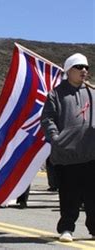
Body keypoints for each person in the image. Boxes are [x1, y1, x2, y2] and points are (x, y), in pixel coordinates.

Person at [41, 53, 95, 243]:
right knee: (69, 194)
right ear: (69, 70)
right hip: (67, 155)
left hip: (91, 153)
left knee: (92, 195)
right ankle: (66, 228)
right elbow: (47, 118)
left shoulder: (92, 93)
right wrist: (56, 138)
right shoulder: (56, 93)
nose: (84, 70)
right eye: (79, 67)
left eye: (86, 67)